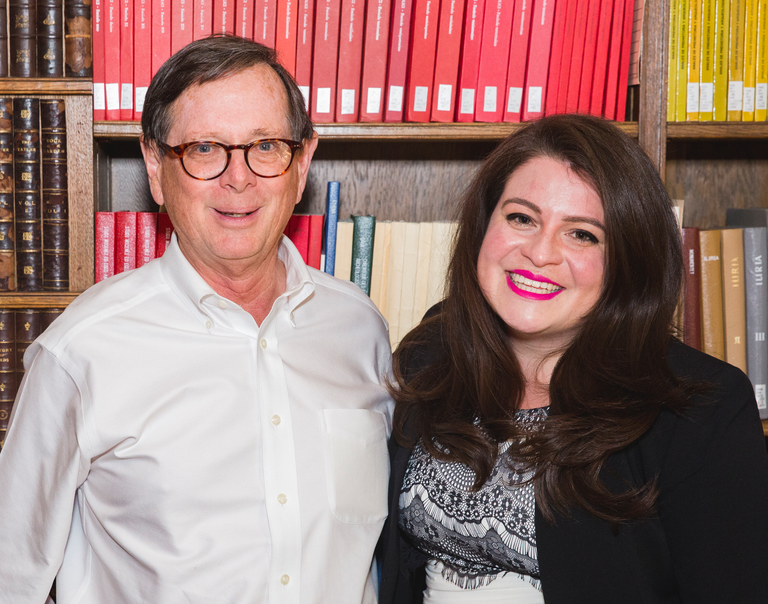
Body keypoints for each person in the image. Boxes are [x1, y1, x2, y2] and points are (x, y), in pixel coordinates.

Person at [0, 35, 392, 604]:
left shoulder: (361, 332)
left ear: (301, 162)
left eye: (265, 145)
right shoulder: (82, 352)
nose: (239, 178)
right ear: (156, 166)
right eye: (206, 148)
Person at [377, 114, 768, 604]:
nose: (540, 253)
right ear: (484, 226)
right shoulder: (432, 349)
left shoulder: (702, 409)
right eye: (521, 218)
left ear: (628, 259)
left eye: (582, 234)